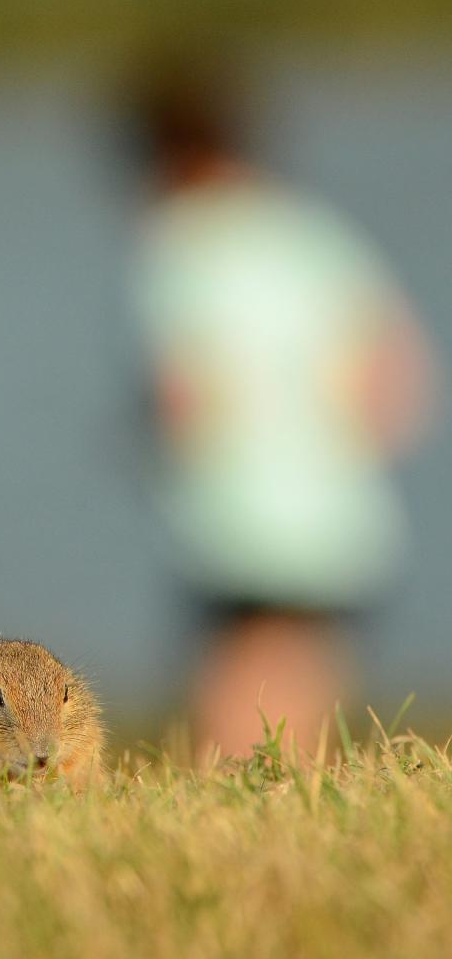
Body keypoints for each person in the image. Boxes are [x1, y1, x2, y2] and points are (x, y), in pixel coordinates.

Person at [119, 50, 437, 758]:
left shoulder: (180, 242)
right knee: (302, 716)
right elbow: (399, 379)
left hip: (238, 521)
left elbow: (185, 395)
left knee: (236, 725)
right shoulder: (312, 235)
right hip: (340, 521)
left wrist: (146, 435)